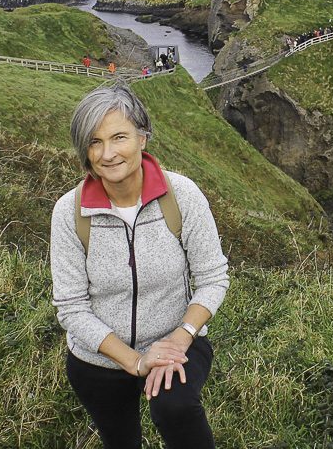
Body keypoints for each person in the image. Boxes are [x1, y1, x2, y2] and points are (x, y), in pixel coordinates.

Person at [51, 83, 229, 449]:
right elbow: (71, 307)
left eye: (119, 137)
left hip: (176, 341)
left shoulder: (182, 196)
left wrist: (177, 342)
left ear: (143, 138)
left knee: (176, 410)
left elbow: (213, 278)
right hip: (98, 359)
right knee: (120, 441)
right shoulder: (70, 213)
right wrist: (135, 361)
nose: (108, 153)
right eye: (94, 142)